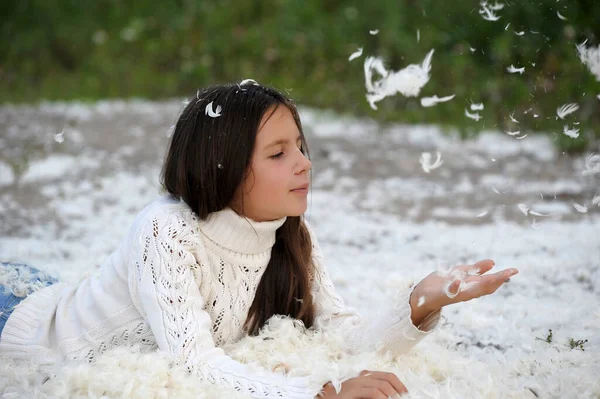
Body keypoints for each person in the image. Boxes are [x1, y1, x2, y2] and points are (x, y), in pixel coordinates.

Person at [0, 81, 519, 398]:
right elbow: (193, 365)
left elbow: (340, 336)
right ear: (221, 165)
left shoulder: (292, 234)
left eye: (300, 145)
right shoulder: (167, 230)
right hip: (26, 330)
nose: (304, 163)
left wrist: (419, 302)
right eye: (278, 154)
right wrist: (315, 393)